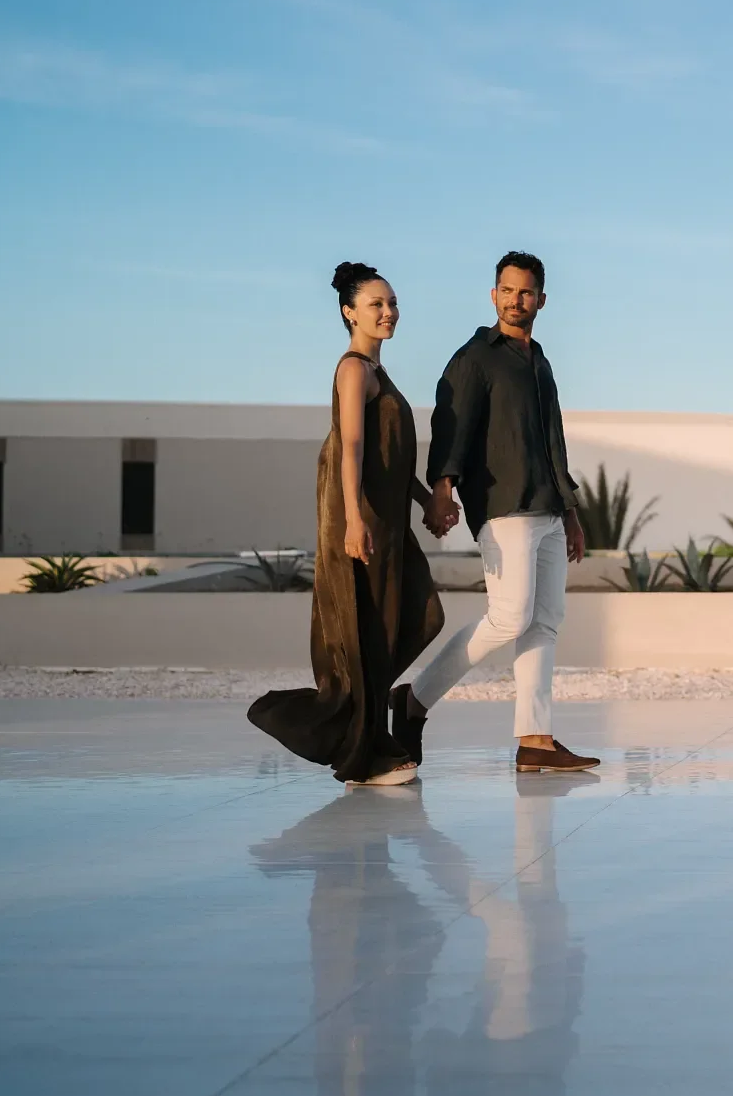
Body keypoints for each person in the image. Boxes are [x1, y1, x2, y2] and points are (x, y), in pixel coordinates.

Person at [395, 250, 599, 773]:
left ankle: (536, 739)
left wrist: (571, 512)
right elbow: (451, 425)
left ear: (541, 300)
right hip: (503, 507)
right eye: (507, 290)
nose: (515, 300)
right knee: (509, 617)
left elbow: (553, 443)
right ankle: (414, 699)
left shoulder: (540, 363)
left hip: (549, 508)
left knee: (544, 623)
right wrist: (443, 487)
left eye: (525, 292)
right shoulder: (475, 358)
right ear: (493, 295)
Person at [248, 262, 446, 786]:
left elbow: (390, 456)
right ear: (349, 312)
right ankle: (364, 754)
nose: (388, 311)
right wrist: (354, 521)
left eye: (392, 302)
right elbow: (351, 448)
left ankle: (361, 722)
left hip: (389, 521)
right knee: (366, 635)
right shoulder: (354, 370)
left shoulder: (380, 372)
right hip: (363, 521)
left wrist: (426, 500)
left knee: (420, 618)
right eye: (376, 304)